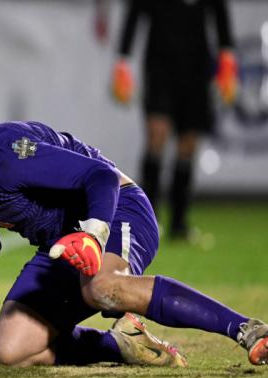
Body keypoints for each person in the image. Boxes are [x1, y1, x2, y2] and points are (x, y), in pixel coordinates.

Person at [0, 91, 268, 368]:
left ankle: (246, 328)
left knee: (102, 287)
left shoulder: (0, 155)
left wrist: (93, 234)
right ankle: (122, 343)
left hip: (115, 209)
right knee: (8, 352)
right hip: (63, 245)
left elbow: (100, 176)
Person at [110, 0, 238, 240]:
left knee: (188, 144)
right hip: (159, 66)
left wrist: (227, 54)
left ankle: (179, 223)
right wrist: (122, 59)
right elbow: (135, 12)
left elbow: (219, 11)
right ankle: (148, 219)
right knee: (157, 135)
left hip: (197, 68)